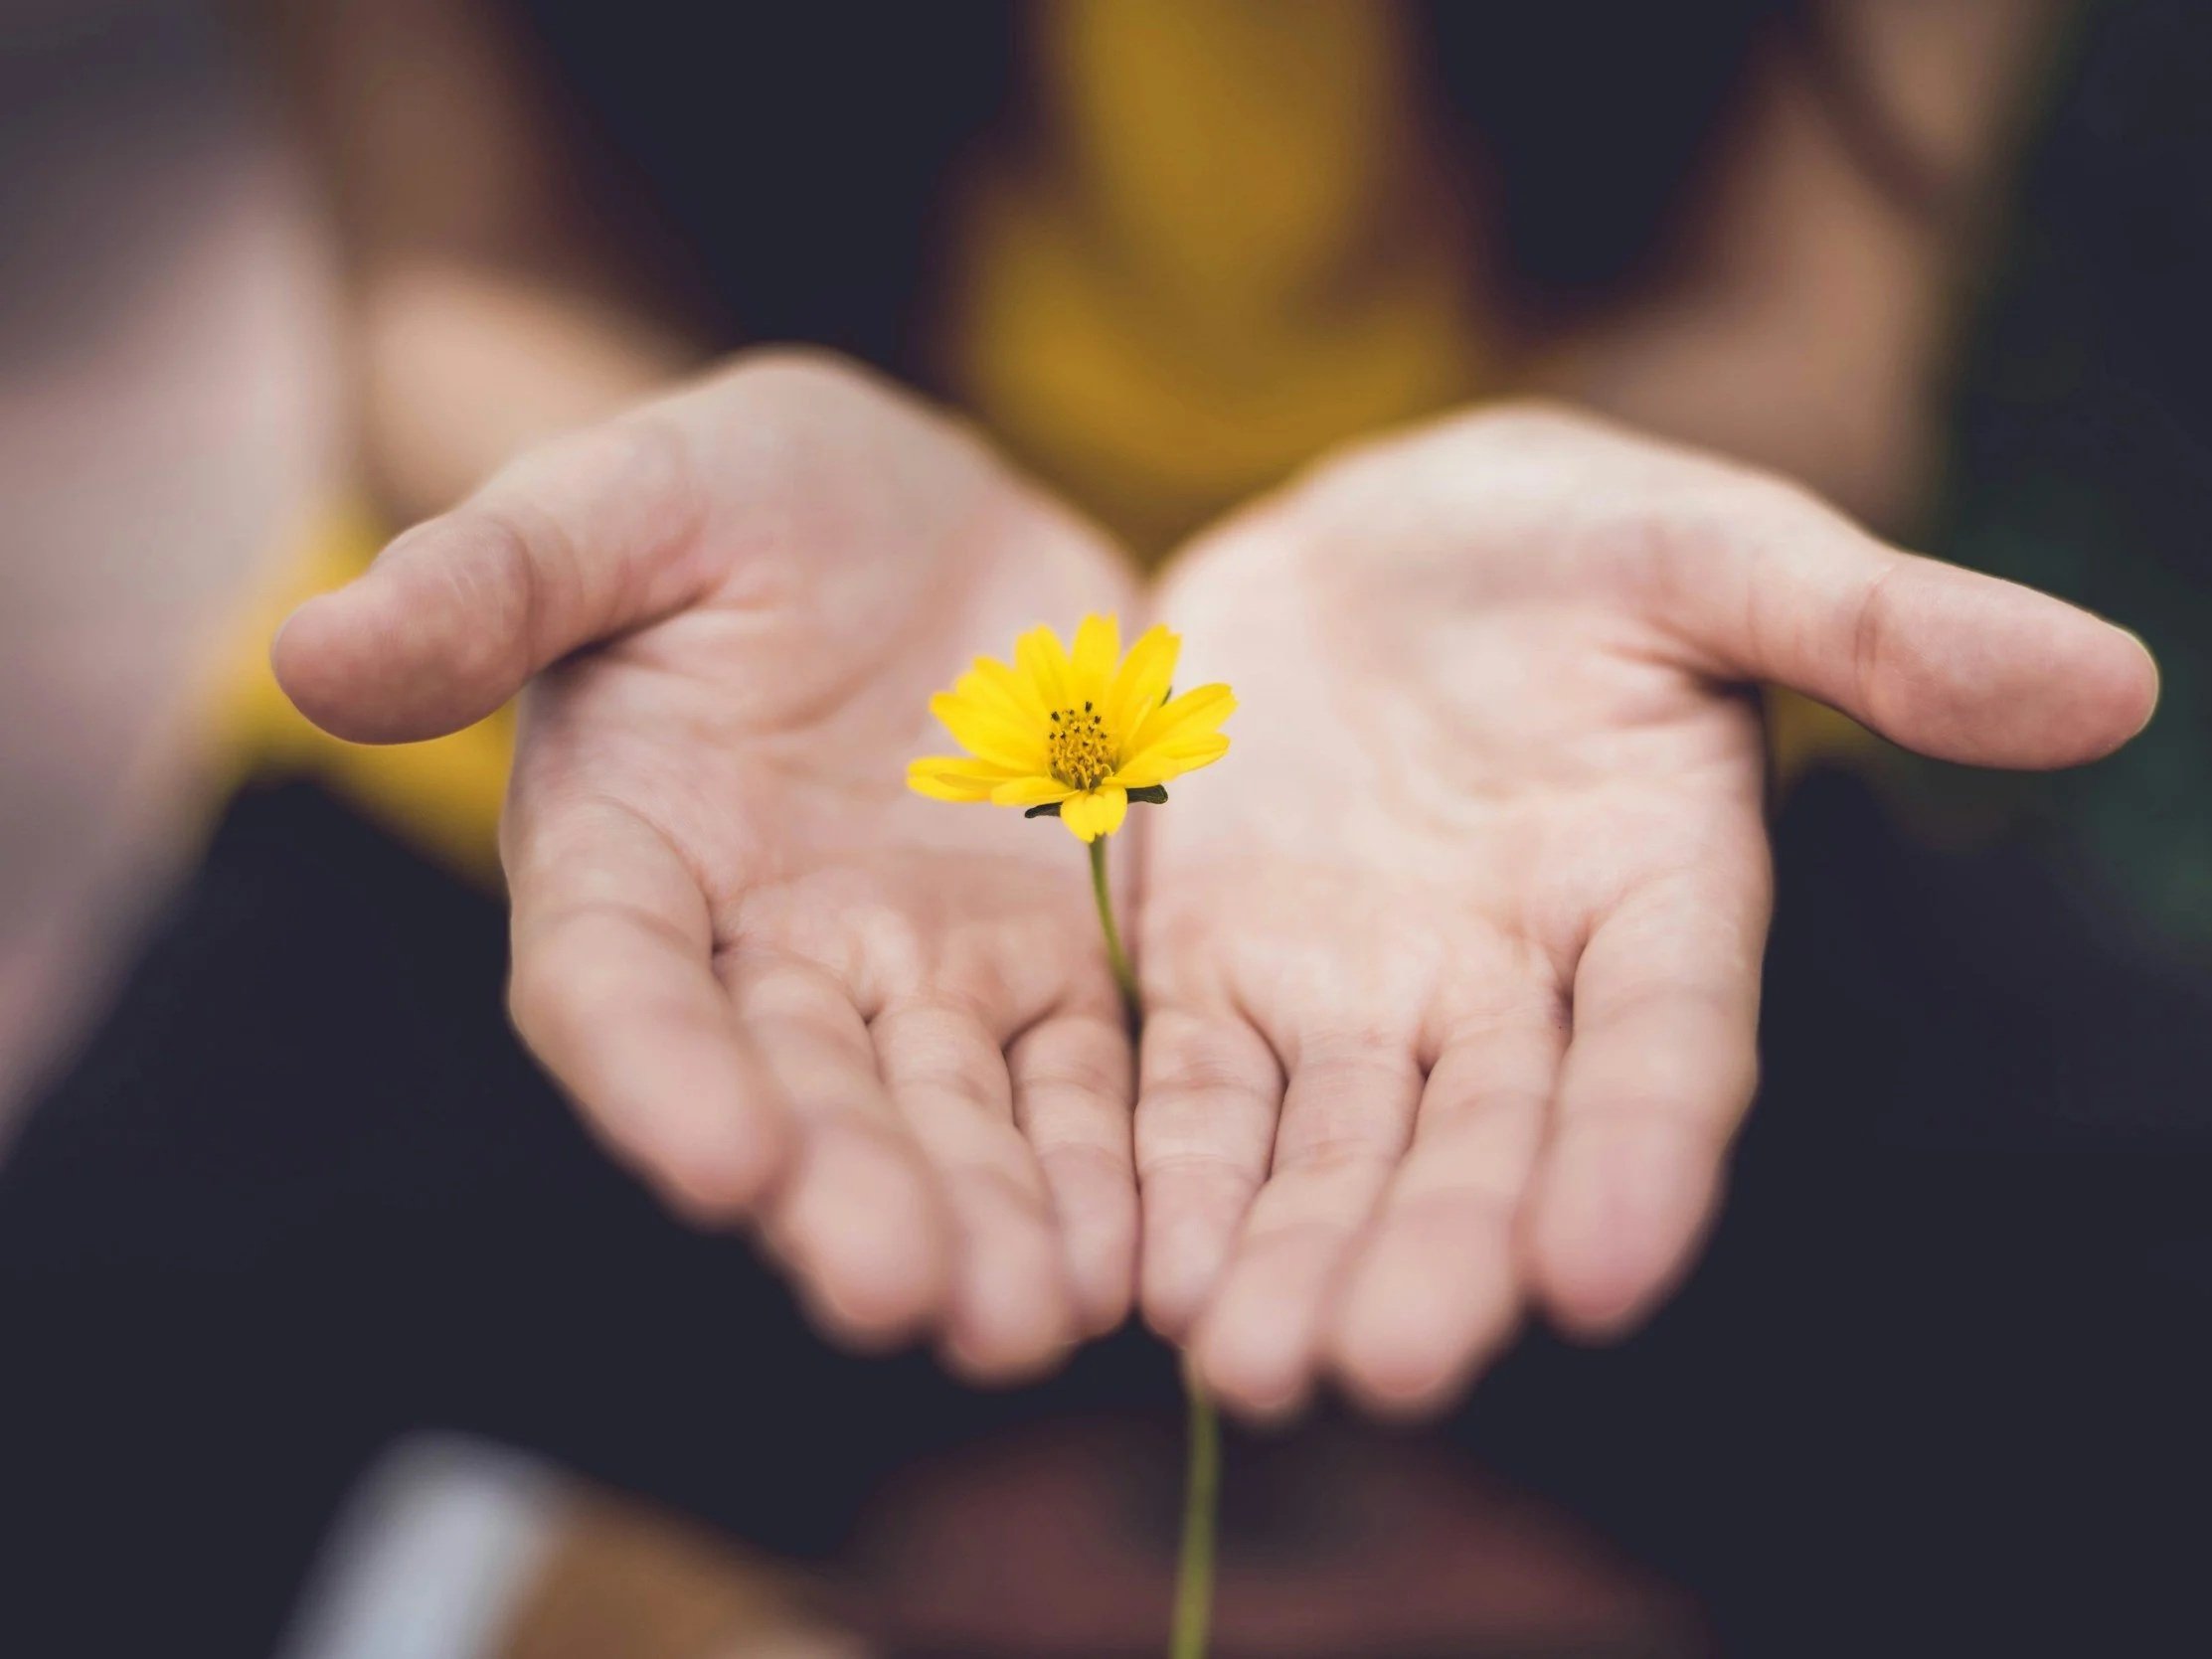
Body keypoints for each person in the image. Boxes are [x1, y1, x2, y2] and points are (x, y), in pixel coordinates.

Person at [8, 1, 2209, 1651]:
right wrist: (641, 503)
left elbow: (1807, 320)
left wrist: (1588, 514)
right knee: (95, 1403)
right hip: (705, 757)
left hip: (1540, 772)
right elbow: (460, 269)